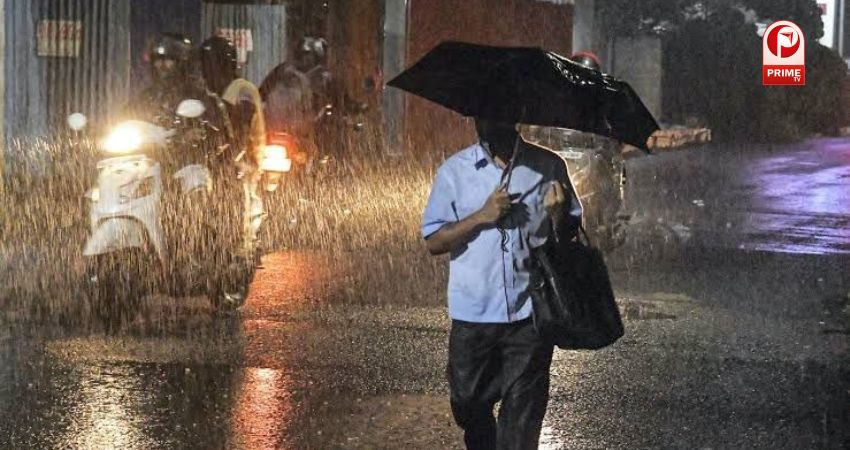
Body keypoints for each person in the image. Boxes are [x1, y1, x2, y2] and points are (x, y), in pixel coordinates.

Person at [422, 118, 582, 450]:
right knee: (467, 403)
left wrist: (558, 214)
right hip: (473, 314)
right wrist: (481, 215)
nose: (485, 120)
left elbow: (570, 232)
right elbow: (434, 241)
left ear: (514, 113)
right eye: (481, 112)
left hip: (529, 315)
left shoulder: (548, 165)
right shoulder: (455, 171)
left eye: (495, 110)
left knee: (521, 427)